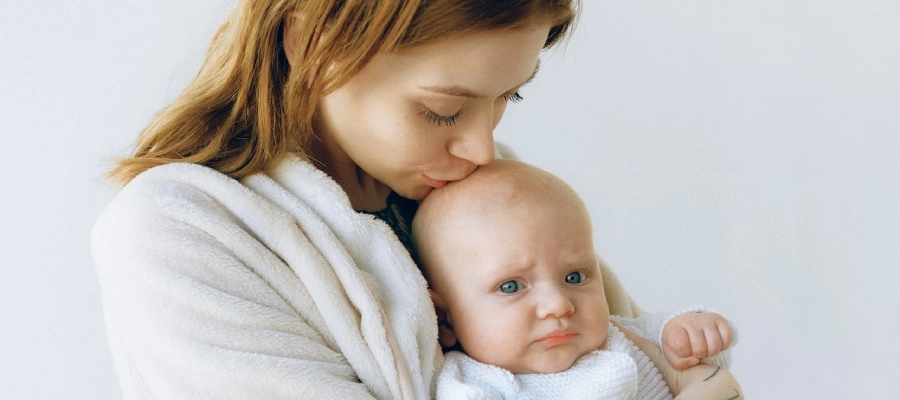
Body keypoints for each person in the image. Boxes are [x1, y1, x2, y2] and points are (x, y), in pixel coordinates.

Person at [411, 159, 743, 399]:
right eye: (511, 286)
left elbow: (696, 360)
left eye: (574, 276)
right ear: (445, 321)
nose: (558, 304)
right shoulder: (475, 386)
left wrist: (689, 331)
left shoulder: (618, 335)